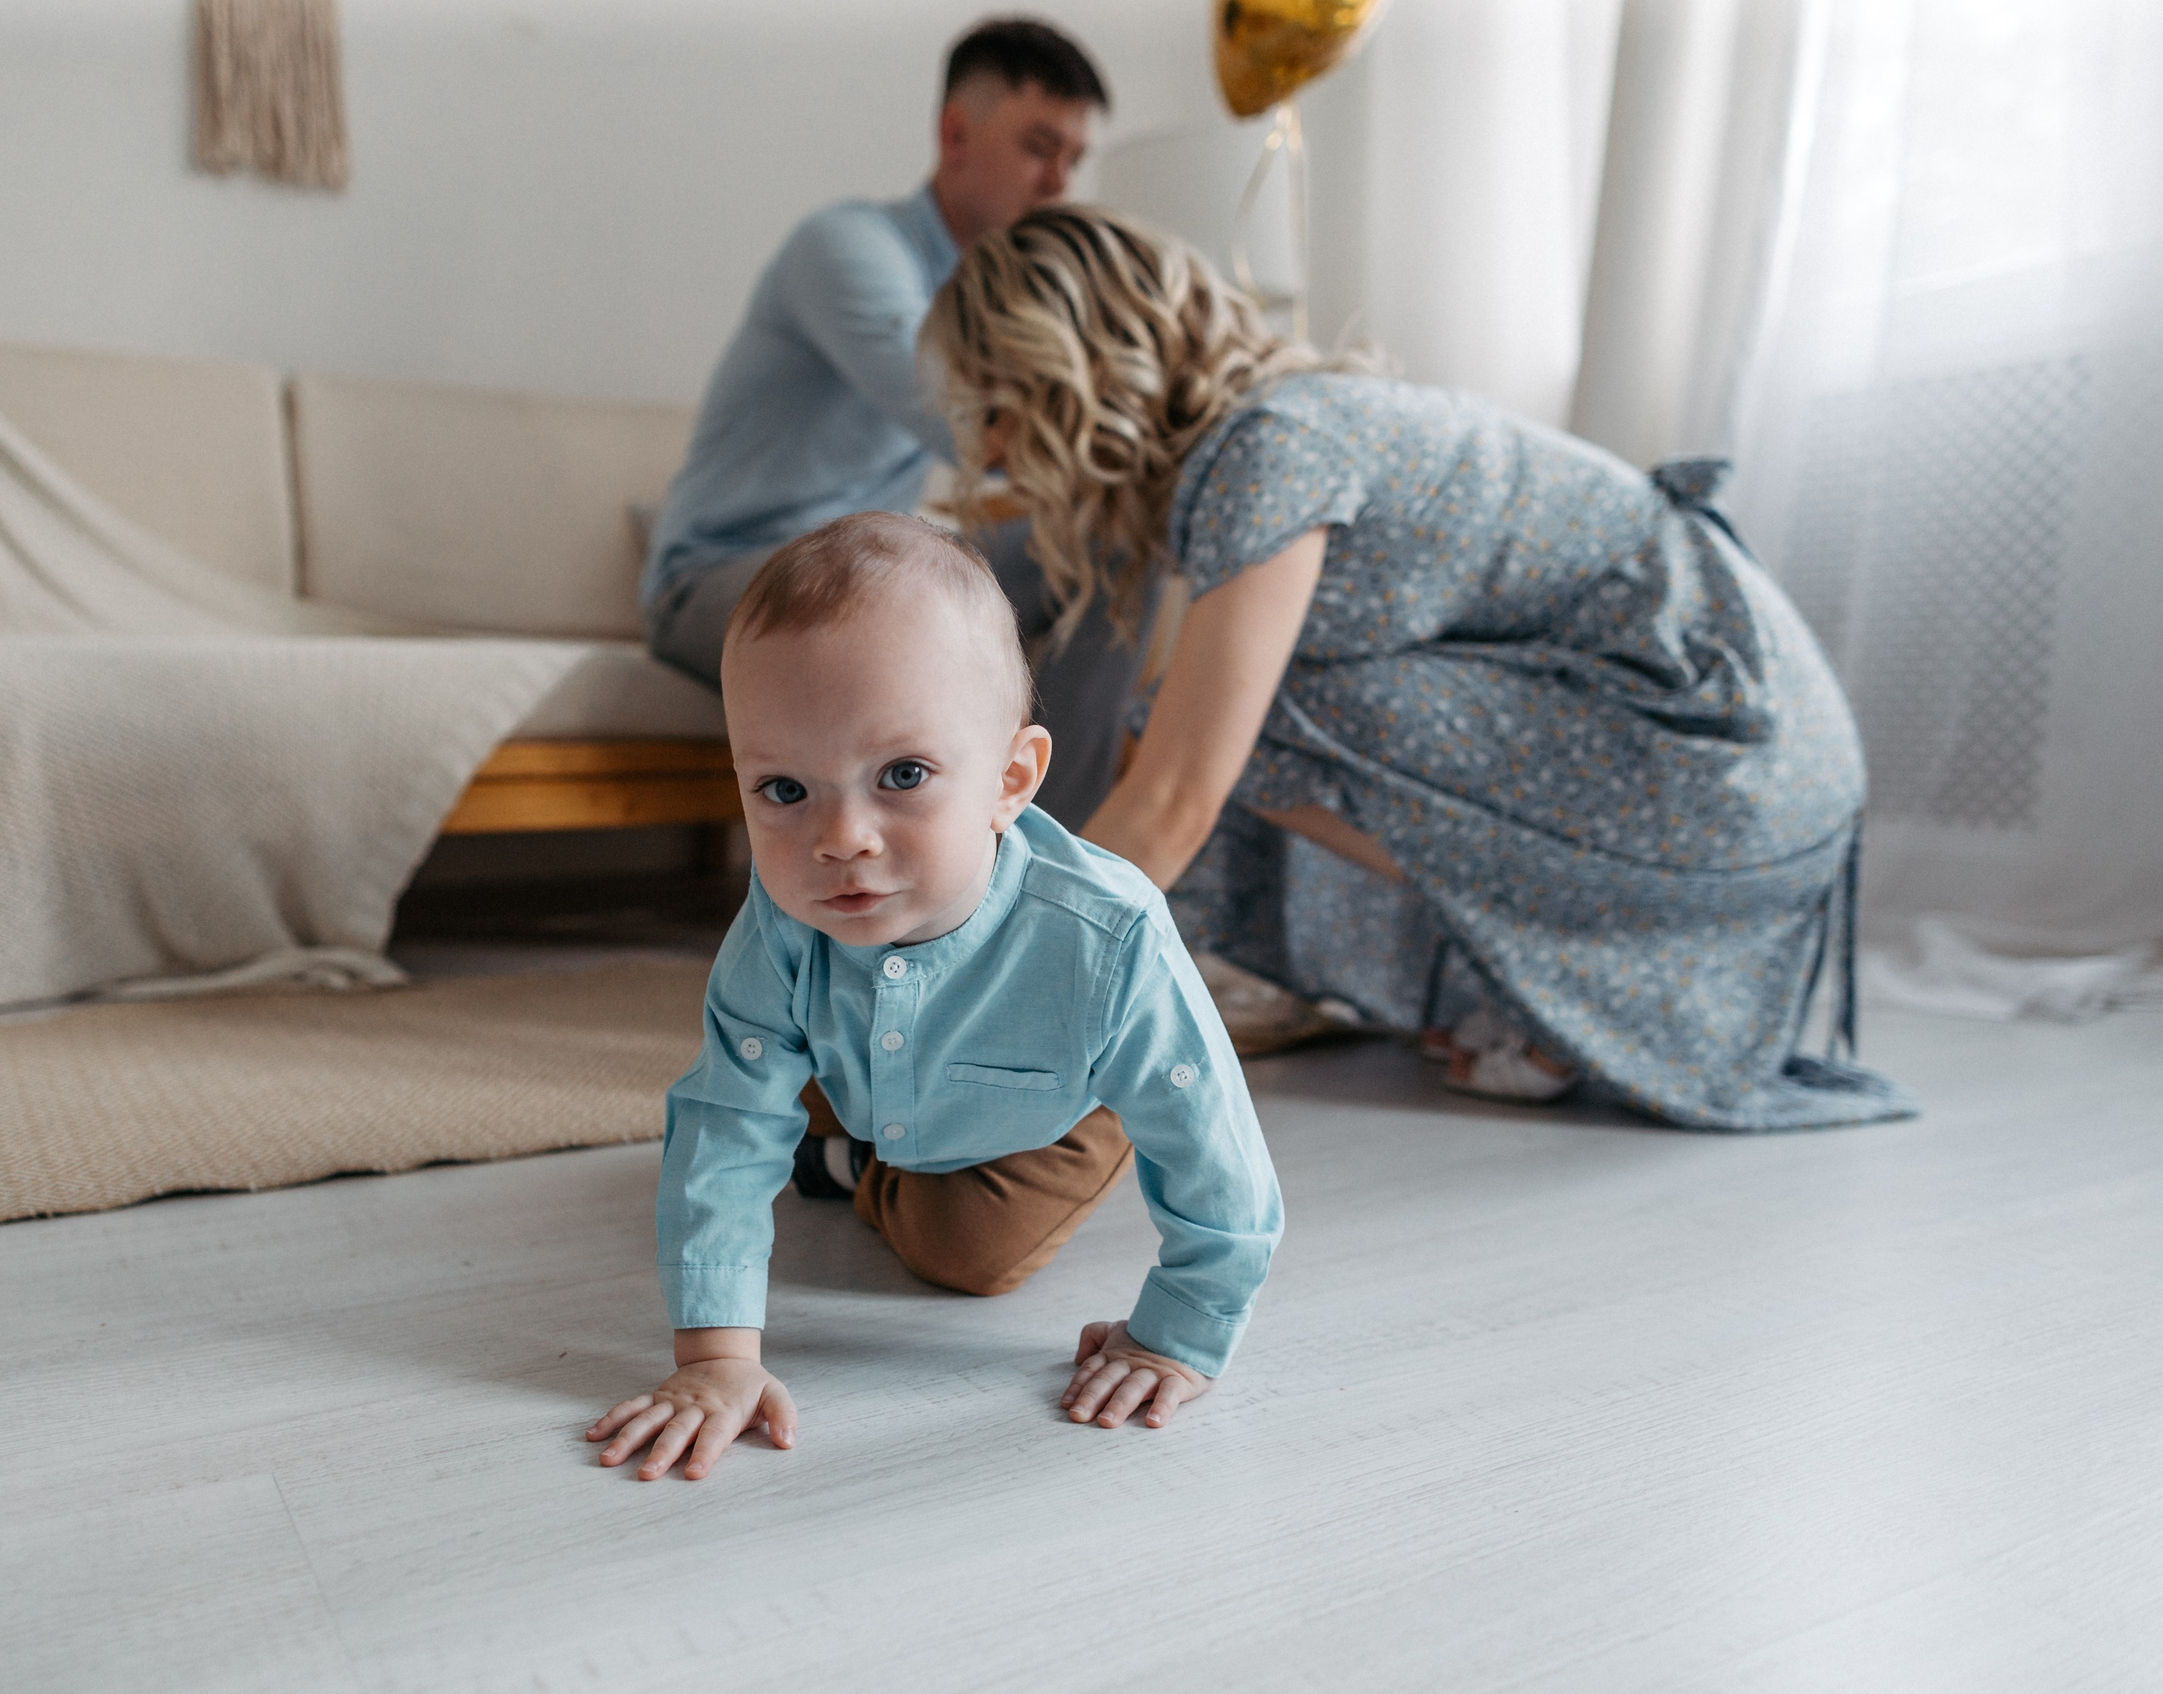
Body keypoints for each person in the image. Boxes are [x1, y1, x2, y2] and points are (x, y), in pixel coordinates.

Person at [920, 206, 1920, 1132]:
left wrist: (992, 986)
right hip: (1747, 771)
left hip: (1727, 758)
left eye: (996, 408)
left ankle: (1513, 989)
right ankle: (1509, 988)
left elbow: (1179, 795)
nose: (995, 452)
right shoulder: (1283, 435)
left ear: (1069, 374)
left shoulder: (1272, 449)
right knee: (1195, 712)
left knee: (1237, 720)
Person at [587, 512, 1283, 1481]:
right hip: (855, 1060)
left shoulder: (1109, 939)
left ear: (1010, 781)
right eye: (783, 790)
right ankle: (841, 1148)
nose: (841, 840)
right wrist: (715, 1361)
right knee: (753, 1105)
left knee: (965, 1251)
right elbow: (725, 1121)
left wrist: (1180, 1336)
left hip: (1043, 1106)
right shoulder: (784, 922)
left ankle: (854, 1172)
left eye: (902, 776)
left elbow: (1214, 1146)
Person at [641, 18, 1139, 828]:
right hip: (715, 577)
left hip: (872, 559)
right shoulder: (846, 248)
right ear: (954, 134)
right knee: (894, 586)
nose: (1059, 182)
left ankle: (1072, 860)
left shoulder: (989, 298)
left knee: (1112, 541)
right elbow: (973, 429)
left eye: (1075, 159)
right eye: (1039, 146)